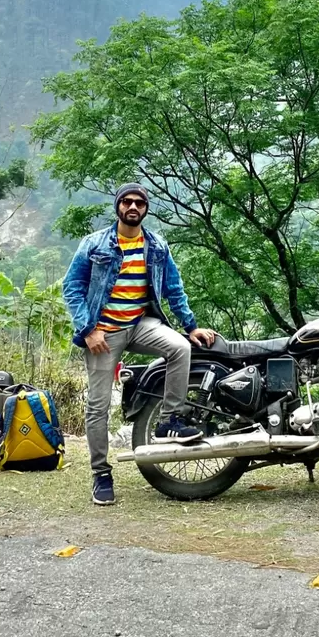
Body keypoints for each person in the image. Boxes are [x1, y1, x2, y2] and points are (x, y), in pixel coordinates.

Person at [61, 183, 218, 506]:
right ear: (118, 207)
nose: (133, 207)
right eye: (127, 202)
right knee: (98, 406)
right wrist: (88, 330)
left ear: (146, 209)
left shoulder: (156, 245)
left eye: (139, 203)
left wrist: (190, 326)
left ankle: (168, 421)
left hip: (140, 323)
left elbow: (174, 289)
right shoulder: (94, 244)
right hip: (104, 333)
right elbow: (72, 287)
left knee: (180, 348)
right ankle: (101, 473)